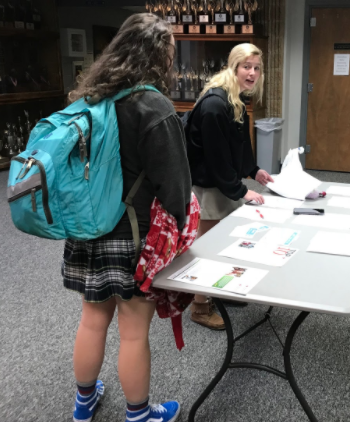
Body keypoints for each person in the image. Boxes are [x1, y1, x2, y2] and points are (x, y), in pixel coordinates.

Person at [63, 13, 190, 422]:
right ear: (158, 57)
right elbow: (177, 191)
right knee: (133, 331)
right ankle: (138, 414)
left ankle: (84, 403)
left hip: (85, 227)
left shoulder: (91, 98)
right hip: (131, 235)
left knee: (92, 318)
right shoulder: (153, 105)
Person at [186, 43, 274, 330]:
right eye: (246, 66)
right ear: (234, 67)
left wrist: (253, 171)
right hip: (210, 186)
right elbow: (216, 157)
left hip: (224, 182)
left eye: (256, 68)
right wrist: (239, 190)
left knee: (226, 242)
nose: (252, 73)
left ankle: (220, 291)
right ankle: (200, 305)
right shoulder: (215, 104)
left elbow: (238, 144)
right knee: (207, 245)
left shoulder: (235, 98)